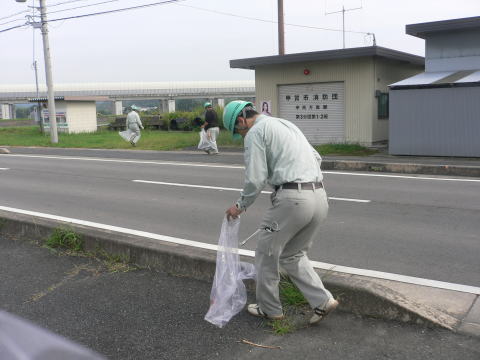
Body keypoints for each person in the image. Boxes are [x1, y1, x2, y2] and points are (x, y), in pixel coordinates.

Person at [223, 100, 338, 324]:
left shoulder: (256, 132)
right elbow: (317, 157)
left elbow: (255, 178)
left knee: (266, 254)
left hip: (292, 199)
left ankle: (270, 308)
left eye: (238, 130)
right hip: (319, 195)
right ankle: (323, 301)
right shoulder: (285, 124)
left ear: (241, 120)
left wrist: (240, 205)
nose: (241, 135)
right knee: (293, 254)